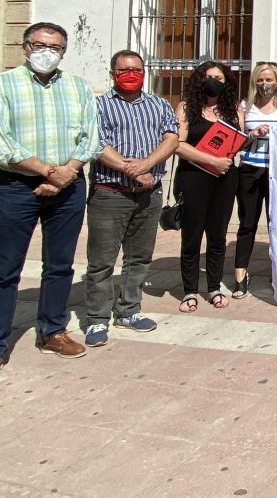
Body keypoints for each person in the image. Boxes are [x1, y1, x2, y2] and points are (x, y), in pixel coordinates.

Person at [0, 23, 101, 384]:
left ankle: (53, 331)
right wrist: (49, 171)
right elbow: (1, 146)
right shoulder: (0, 86)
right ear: (26, 47)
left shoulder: (77, 87)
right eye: (40, 45)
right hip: (15, 188)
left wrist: (66, 173)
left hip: (68, 187)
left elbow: (90, 137)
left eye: (56, 47)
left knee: (60, 265)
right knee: (4, 269)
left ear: (64, 51)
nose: (47, 51)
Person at [83, 50, 179, 348]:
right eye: (124, 70)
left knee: (139, 258)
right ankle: (97, 319)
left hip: (148, 196)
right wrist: (131, 169)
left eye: (136, 69)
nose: (131, 74)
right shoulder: (98, 106)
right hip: (110, 194)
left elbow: (172, 138)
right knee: (101, 262)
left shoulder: (159, 104)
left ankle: (129, 310)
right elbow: (96, 143)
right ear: (113, 73)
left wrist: (147, 165)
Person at [174, 61, 245, 314]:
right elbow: (178, 145)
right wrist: (211, 159)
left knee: (218, 235)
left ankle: (214, 287)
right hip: (194, 176)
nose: (213, 80)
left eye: (219, 77)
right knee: (192, 235)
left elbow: (239, 141)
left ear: (226, 82)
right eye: (208, 76)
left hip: (225, 178)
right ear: (199, 80)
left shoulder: (234, 109)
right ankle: (190, 290)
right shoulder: (186, 107)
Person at [233, 62, 277, 299]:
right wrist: (252, 134)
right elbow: (235, 141)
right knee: (247, 223)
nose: (265, 84)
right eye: (260, 80)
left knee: (276, 224)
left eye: (269, 80)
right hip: (249, 169)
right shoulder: (245, 107)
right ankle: (240, 274)